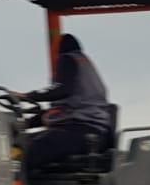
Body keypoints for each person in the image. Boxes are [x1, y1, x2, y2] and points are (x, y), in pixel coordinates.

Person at [14, 33, 112, 173]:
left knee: (30, 152)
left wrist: (26, 96)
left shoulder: (69, 59)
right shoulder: (84, 71)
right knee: (19, 144)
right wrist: (23, 125)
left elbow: (61, 91)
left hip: (84, 130)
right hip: (85, 129)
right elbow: (57, 111)